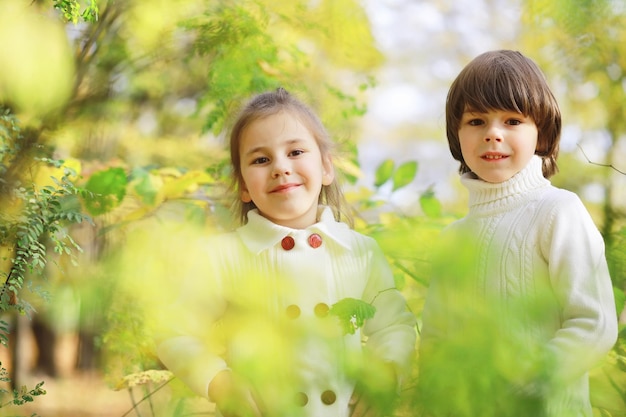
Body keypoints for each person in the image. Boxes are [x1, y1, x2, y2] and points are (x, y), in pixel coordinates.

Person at [156, 87, 416, 417]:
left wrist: (385, 373)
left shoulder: (360, 251)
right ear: (245, 186)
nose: (280, 167)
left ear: (325, 168)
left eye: (295, 152)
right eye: (261, 159)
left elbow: (394, 326)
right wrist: (220, 383)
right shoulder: (223, 256)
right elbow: (175, 332)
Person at [418, 50, 618, 417]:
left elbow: (594, 322)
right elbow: (435, 339)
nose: (493, 134)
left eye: (512, 120)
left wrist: (533, 376)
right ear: (456, 135)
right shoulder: (453, 239)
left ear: (540, 132)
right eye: (476, 121)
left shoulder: (559, 211)